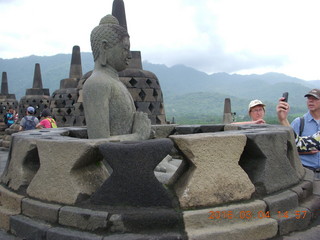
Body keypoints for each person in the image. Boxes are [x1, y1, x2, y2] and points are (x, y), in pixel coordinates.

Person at [82, 14, 151, 140]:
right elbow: (98, 141)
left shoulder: (115, 83)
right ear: (104, 47)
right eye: (125, 49)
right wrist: (138, 136)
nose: (129, 55)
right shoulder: (96, 84)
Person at [277, 88, 320, 174]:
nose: (311, 101)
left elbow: (299, 144)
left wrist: (283, 120)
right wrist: (283, 120)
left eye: (315, 99)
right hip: (305, 171)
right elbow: (292, 145)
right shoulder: (299, 122)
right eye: (309, 98)